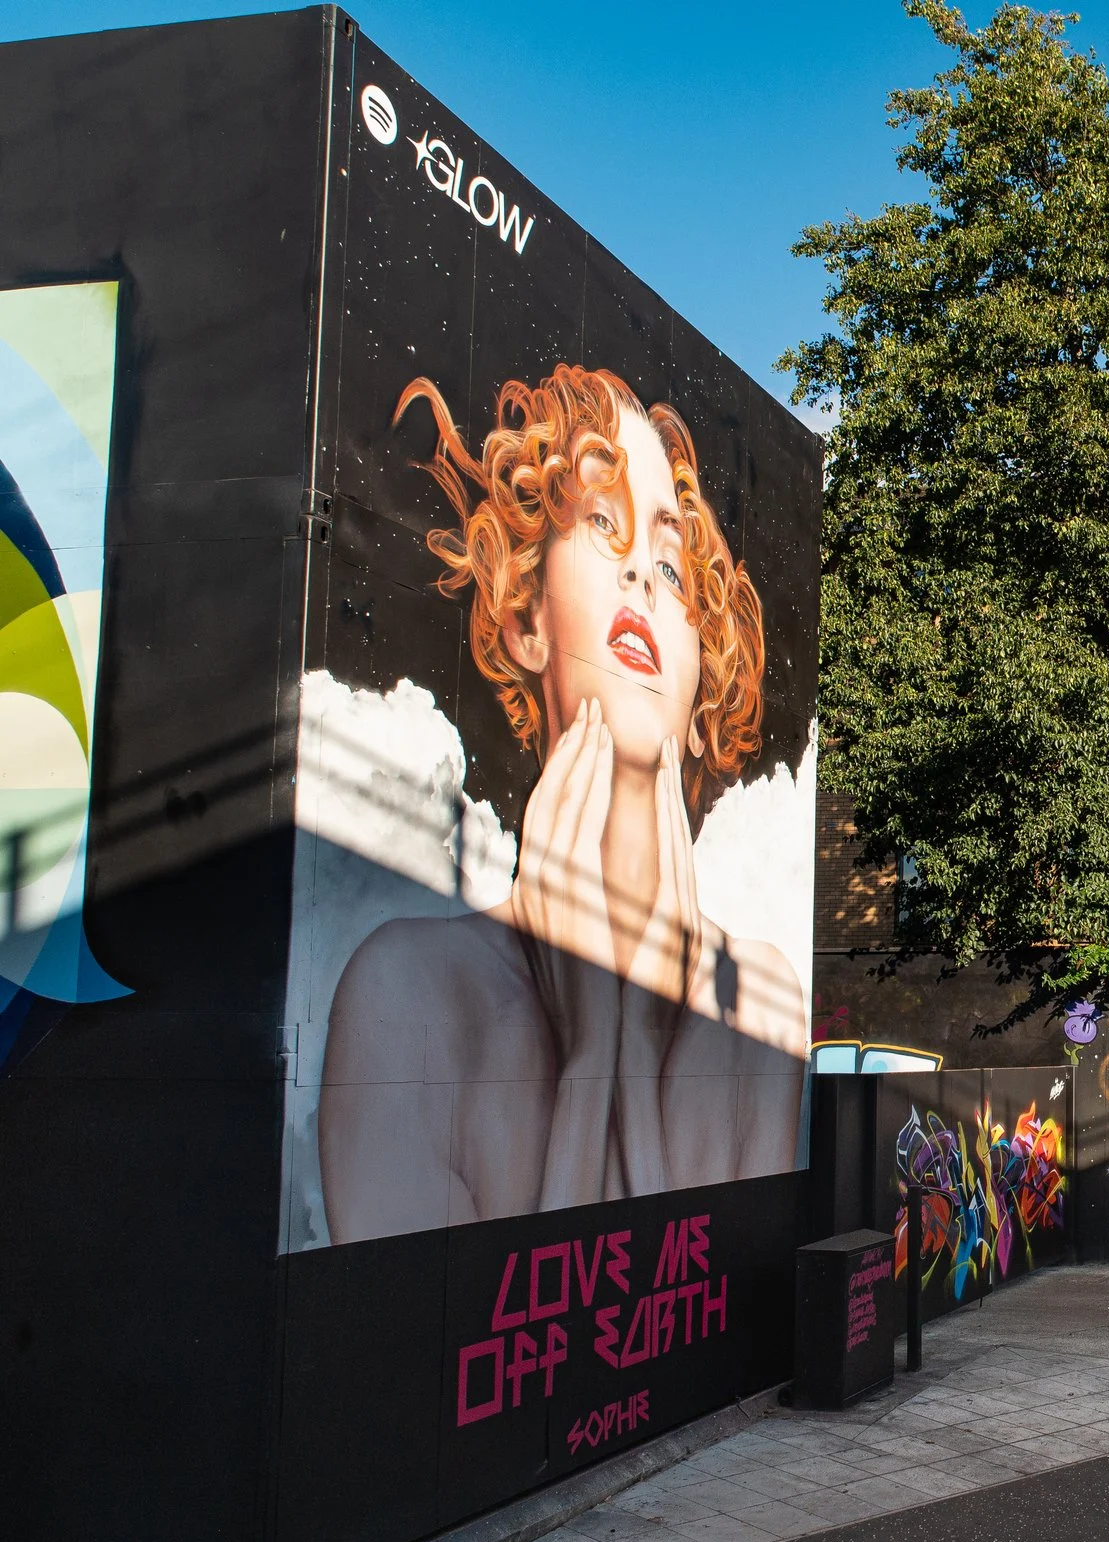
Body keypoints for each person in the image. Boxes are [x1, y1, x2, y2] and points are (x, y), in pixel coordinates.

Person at [318, 366, 806, 1243]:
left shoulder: (758, 1001)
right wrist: (589, 1069)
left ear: (706, 692)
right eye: (602, 523)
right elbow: (438, 1330)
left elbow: (702, 1308)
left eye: (671, 565)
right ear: (527, 623)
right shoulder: (408, 998)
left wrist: (628, 1062)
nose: (642, 574)